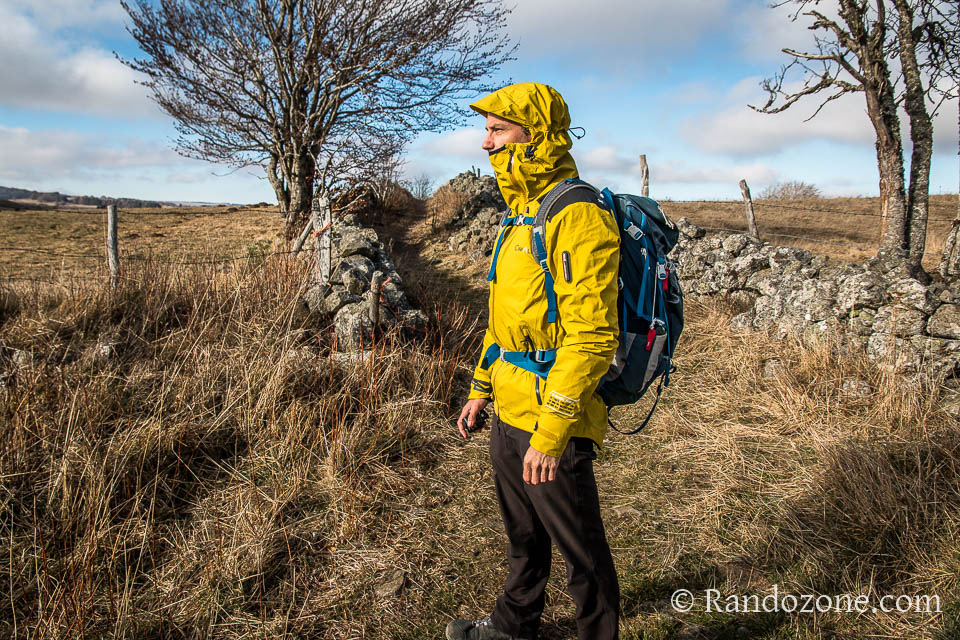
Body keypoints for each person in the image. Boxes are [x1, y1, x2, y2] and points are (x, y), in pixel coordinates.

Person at [448, 83, 622, 640]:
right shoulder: (521, 214)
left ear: (535, 133)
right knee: (522, 533)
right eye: (487, 131)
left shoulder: (577, 213)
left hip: (554, 416)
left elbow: (593, 335)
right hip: (509, 407)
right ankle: (512, 625)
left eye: (497, 130)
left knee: (581, 552)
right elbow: (504, 321)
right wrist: (480, 388)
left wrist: (553, 431)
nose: (486, 142)